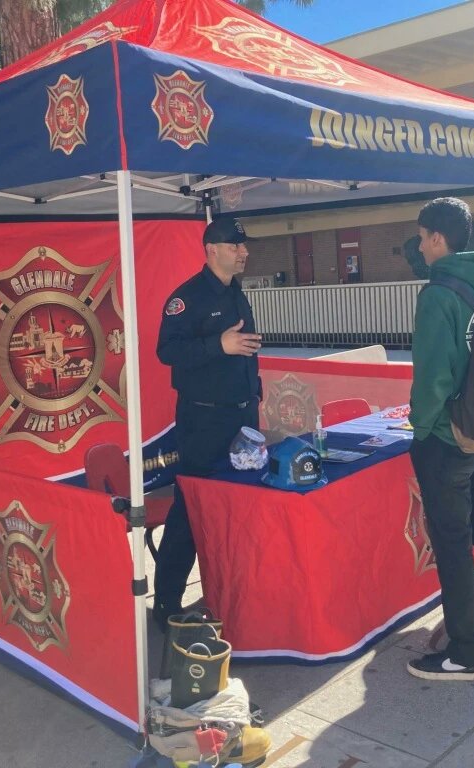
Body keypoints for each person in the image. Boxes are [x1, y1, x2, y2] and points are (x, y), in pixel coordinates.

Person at [406, 197, 474, 682]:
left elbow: (432, 379)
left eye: (423, 236)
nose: (420, 245)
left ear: (438, 239)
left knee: (451, 543)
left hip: (450, 440)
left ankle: (464, 652)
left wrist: (420, 429)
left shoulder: (437, 295)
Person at [153, 217, 263, 631]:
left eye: (243, 245)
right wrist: (219, 344)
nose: (243, 251)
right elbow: (167, 351)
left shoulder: (237, 293)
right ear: (211, 249)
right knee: (191, 509)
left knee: (238, 505)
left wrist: (256, 393)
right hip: (204, 420)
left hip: (242, 415)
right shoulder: (187, 298)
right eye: (235, 245)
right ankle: (166, 604)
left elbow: (247, 350)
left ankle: (231, 589)